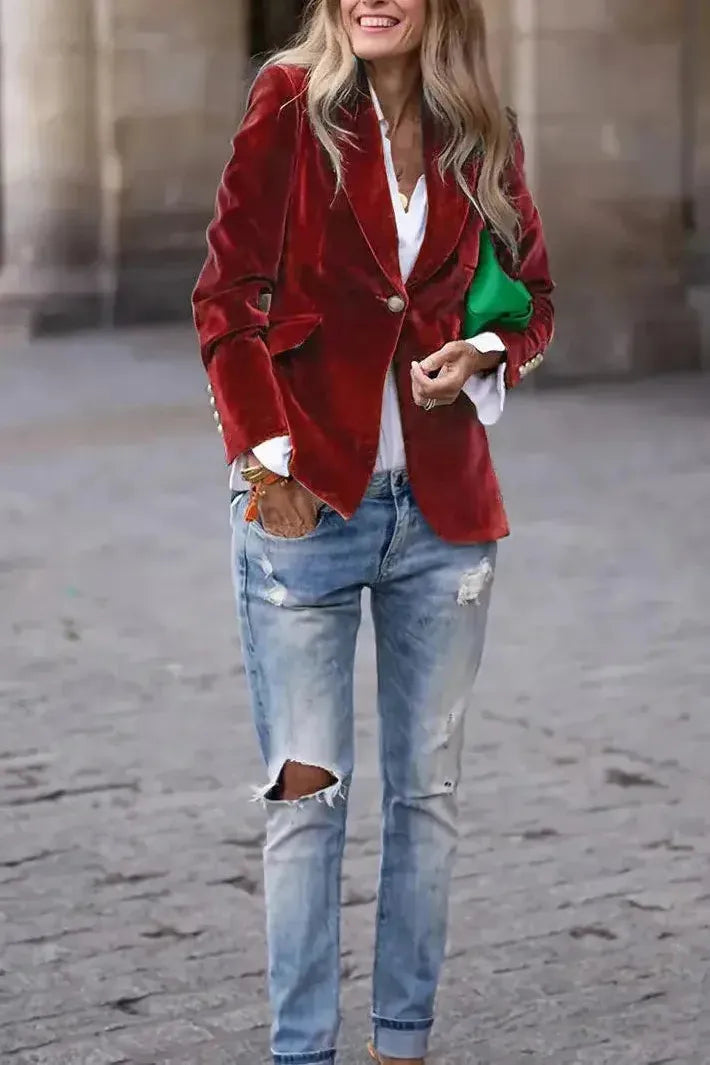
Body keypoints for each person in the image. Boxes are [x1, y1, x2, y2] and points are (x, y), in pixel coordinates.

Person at [193, 2, 554, 1063]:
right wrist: (268, 465)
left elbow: (533, 298)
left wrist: (482, 351)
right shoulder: (286, 106)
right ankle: (302, 1051)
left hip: (444, 518)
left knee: (426, 799)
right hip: (305, 509)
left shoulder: (480, 128)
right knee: (306, 801)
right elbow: (227, 300)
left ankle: (402, 1044)